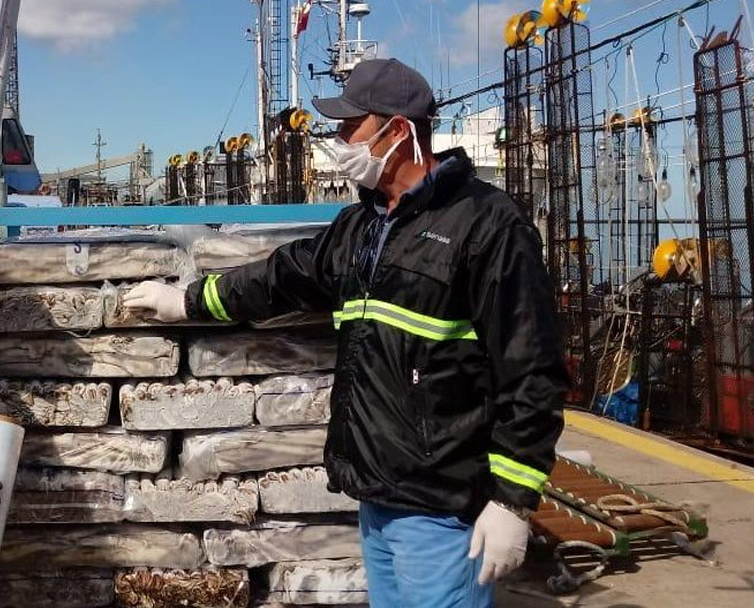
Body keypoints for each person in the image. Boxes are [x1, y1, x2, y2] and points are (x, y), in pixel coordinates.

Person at [123, 59, 568, 607]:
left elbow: (533, 372)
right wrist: (185, 300)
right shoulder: (363, 227)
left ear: (398, 131)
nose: (336, 141)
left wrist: (512, 501)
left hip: (441, 506)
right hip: (377, 496)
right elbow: (283, 276)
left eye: (349, 126)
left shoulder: (487, 225)